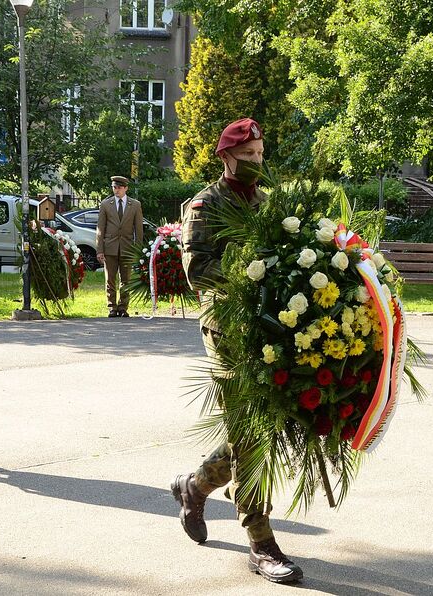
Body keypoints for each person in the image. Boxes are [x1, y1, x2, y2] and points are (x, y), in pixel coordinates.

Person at [172, 118, 304, 584]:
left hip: (270, 332)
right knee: (249, 435)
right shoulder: (204, 205)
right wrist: (250, 278)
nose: (256, 161)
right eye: (247, 155)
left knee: (260, 428)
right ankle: (261, 542)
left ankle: (195, 486)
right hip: (228, 333)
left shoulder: (267, 205)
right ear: (226, 156)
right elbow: (197, 269)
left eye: (260, 154)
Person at [95, 175, 143, 317]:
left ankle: (123, 307)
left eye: (119, 187)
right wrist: (100, 250)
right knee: (110, 279)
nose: (116, 190)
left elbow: (138, 229)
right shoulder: (106, 204)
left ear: (126, 188)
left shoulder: (135, 205)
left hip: (127, 247)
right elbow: (100, 228)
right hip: (110, 247)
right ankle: (112, 307)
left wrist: (138, 250)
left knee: (126, 279)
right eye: (114, 187)